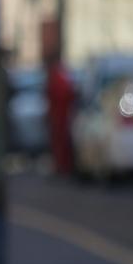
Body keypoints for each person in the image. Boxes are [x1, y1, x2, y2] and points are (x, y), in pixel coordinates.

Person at [45, 47, 77, 177]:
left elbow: (64, 94)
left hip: (60, 116)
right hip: (58, 115)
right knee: (59, 143)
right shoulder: (58, 75)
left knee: (61, 143)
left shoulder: (57, 76)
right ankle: (61, 167)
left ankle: (62, 167)